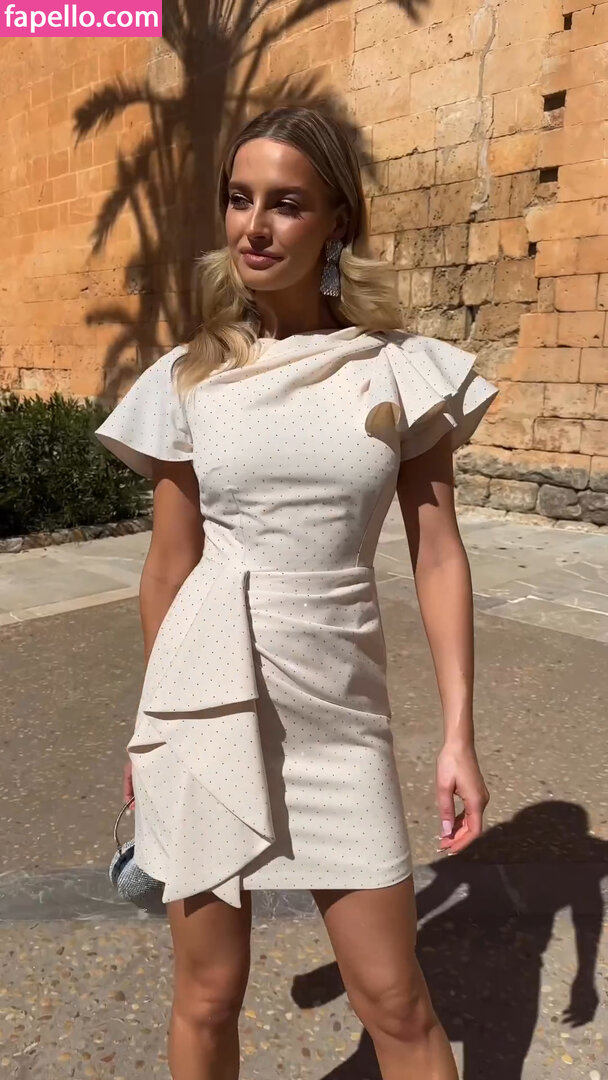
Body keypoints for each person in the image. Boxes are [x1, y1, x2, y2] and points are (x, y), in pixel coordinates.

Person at [96, 103, 496, 1080]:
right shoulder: (189, 379)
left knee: (397, 1003)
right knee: (206, 995)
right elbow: (168, 567)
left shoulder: (398, 370)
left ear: (336, 223)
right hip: (208, 705)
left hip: (338, 717)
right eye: (240, 200)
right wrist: (156, 722)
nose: (255, 226)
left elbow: (437, 554)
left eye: (285, 203)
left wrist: (456, 733)